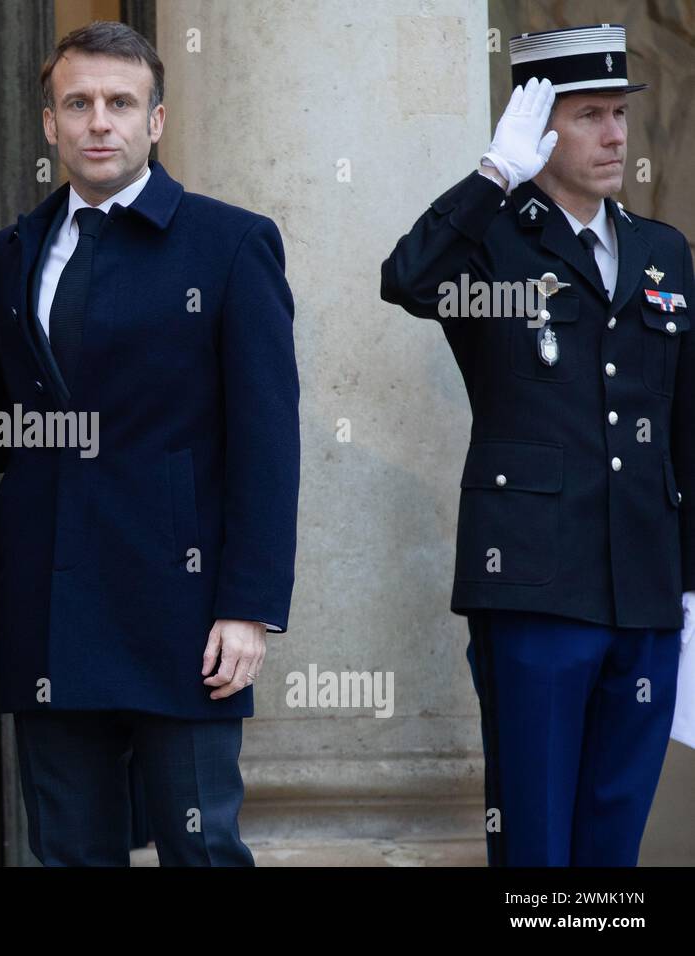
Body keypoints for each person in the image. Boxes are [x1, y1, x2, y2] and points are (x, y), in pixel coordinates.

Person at [0, 21, 300, 866]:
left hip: (183, 614)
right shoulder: (10, 255)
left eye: (121, 103)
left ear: (154, 122)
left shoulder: (230, 243)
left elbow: (268, 441)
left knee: (202, 852)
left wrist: (249, 607)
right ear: (50, 124)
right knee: (70, 856)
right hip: (49, 614)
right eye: (78, 104)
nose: (100, 122)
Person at [381, 23, 692, 865]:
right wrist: (492, 177)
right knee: (535, 834)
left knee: (614, 833)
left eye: (619, 113)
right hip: (533, 584)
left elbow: (684, 426)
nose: (615, 134)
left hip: (646, 588)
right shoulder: (490, 244)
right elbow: (405, 279)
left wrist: (690, 585)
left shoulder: (663, 252)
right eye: (589, 115)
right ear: (540, 126)